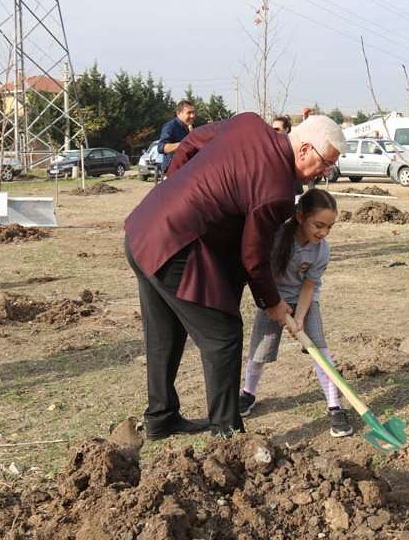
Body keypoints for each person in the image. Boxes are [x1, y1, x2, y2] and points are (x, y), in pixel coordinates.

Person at [124, 113, 344, 440]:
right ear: (304, 150)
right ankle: (227, 435)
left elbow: (191, 143)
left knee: (164, 332)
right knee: (223, 336)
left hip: (144, 227)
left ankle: (161, 418)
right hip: (175, 245)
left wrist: (173, 190)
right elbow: (253, 257)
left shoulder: (249, 124)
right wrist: (273, 303)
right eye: (326, 163)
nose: (327, 172)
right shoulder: (277, 192)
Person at [237, 188, 353, 438]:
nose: (323, 233)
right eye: (319, 225)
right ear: (301, 217)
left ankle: (335, 406)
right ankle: (248, 393)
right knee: (259, 352)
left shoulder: (322, 250)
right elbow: (260, 273)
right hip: (271, 300)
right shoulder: (278, 237)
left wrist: (299, 318)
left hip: (304, 301)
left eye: (329, 228)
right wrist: (274, 306)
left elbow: (310, 285)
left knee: (319, 351)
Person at [158, 101, 197, 175]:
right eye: (189, 113)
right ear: (178, 114)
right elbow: (161, 148)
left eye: (193, 112)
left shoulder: (192, 127)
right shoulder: (170, 126)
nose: (192, 116)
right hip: (173, 173)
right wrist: (184, 143)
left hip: (188, 171)